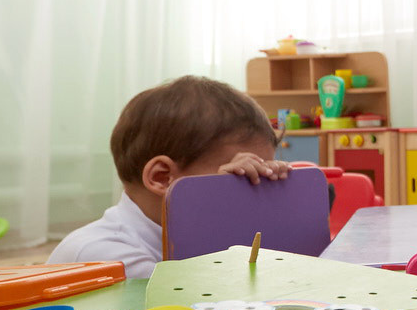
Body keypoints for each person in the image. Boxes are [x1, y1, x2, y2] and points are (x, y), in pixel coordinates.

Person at [49, 75, 289, 278]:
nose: (255, 190)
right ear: (162, 177)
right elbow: (200, 309)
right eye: (241, 179)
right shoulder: (106, 255)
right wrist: (220, 209)